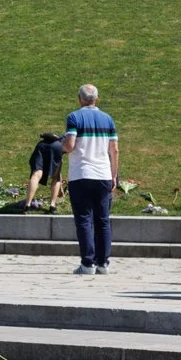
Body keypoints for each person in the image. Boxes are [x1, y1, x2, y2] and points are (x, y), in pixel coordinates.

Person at [63, 85, 119, 274]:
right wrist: (113, 175)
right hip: (103, 174)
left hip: (81, 174)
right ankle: (103, 263)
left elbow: (70, 145)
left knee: (84, 219)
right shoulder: (108, 119)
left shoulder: (74, 117)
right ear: (97, 98)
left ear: (80, 98)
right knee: (103, 220)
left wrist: (60, 144)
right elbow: (114, 150)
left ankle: (88, 263)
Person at [24, 131, 67, 212]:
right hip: (57, 147)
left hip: (41, 145)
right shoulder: (68, 138)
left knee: (36, 175)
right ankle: (52, 205)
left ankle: (27, 204)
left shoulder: (61, 136)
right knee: (56, 177)